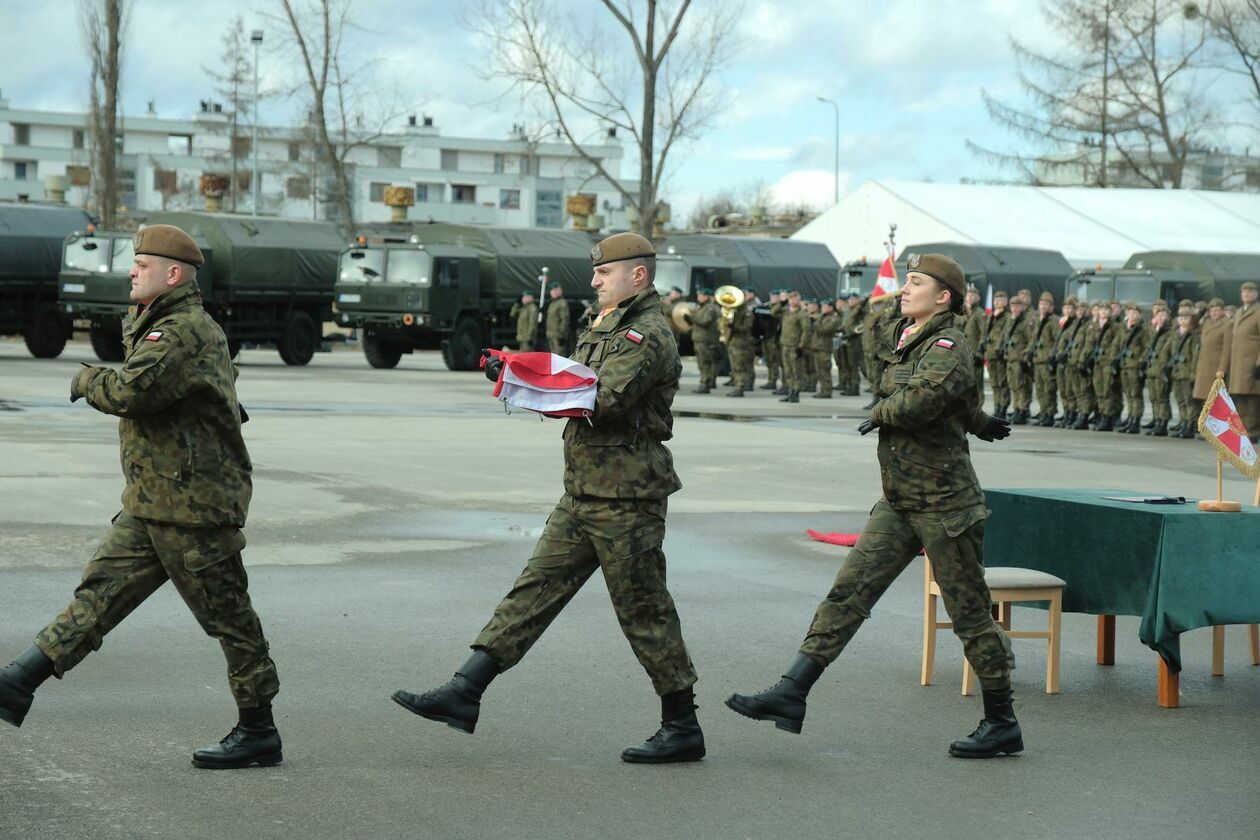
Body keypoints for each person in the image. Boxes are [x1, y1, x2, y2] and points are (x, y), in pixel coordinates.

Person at [392, 232, 704, 764]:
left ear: (638, 275)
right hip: (584, 490)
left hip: (627, 498)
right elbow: (571, 380)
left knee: (644, 610)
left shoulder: (646, 334)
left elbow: (600, 399)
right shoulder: (606, 323)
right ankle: (465, 690)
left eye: (604, 272)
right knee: (532, 591)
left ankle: (682, 725)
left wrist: (527, 379)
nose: (595, 280)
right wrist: (518, 374)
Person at [0, 225, 281, 769]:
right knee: (99, 594)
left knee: (230, 619)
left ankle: (258, 731)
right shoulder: (162, 324)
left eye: (142, 264)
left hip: (195, 507)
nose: (132, 270)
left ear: (172, 275)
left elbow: (131, 393)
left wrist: (86, 380)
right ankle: (17, 682)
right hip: (155, 498)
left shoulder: (180, 332)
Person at [725, 253, 1019, 759]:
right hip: (901, 499)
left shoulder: (949, 343)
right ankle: (792, 691)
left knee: (969, 612)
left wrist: (879, 412)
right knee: (849, 592)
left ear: (944, 296)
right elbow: (944, 393)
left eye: (916, 283)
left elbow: (926, 398)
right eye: (904, 281)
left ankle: (1001, 720)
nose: (905, 289)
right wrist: (981, 420)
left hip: (946, 504)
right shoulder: (910, 337)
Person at [1220, 281, 1260, 441]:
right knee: (1239, 396)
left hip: (1251, 363)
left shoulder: (1257, 312)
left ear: (1256, 294)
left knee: (1252, 399)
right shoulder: (1239, 312)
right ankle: (1243, 429)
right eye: (1244, 291)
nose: (1247, 294)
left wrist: (1259, 363)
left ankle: (1253, 430)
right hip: (1238, 364)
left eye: (1250, 291)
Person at [1192, 298, 1230, 438]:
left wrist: (1222, 368)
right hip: (1203, 366)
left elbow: (1227, 349)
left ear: (1222, 310)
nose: (1214, 313)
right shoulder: (1207, 322)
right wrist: (1200, 314)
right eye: (1211, 310)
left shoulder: (1227, 324)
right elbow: (1193, 326)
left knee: (1214, 401)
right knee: (1204, 400)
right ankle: (1204, 428)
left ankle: (1213, 431)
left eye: (1217, 310)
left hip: (1215, 367)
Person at [1116, 302, 1150, 433]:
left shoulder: (1143, 330)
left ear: (1140, 315)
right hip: (1125, 365)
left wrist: (1141, 361)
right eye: (1130, 313)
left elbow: (1147, 347)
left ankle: (1135, 420)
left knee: (1136, 395)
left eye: (1135, 313)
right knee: (1128, 394)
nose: (1132, 315)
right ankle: (1130, 418)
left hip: (1135, 366)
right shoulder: (1124, 329)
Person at [1142, 302, 1175, 437]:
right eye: (1158, 315)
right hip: (1152, 368)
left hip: (1162, 368)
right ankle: (1157, 419)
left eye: (1163, 315)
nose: (1161, 317)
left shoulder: (1170, 331)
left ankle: (1163, 422)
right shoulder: (1155, 331)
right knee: (1154, 397)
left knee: (1162, 397)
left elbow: (1170, 351)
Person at [1001, 294, 1033, 425]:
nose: (1014, 309)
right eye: (1012, 306)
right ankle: (1016, 409)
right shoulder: (1010, 320)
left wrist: (1025, 357)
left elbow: (1031, 340)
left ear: (1022, 307)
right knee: (1013, 386)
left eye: (1017, 306)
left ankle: (1022, 410)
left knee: (1022, 386)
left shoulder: (1025, 322)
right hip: (1010, 358)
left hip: (1019, 359)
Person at [1170, 302, 1200, 438]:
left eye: (1186, 318)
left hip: (1187, 372)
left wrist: (1193, 373)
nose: (1182, 320)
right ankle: (1183, 422)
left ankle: (1189, 425)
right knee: (1180, 400)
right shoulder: (1176, 335)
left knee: (1189, 402)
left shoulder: (1193, 336)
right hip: (1176, 372)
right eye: (1180, 318)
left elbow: (1195, 356)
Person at [1030, 292, 1060, 426]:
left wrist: (1053, 355)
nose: (1043, 307)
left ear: (1051, 307)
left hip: (1047, 360)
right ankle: (1043, 412)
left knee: (1049, 389)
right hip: (1038, 359)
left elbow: (1057, 340)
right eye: (1041, 304)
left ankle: (1050, 413)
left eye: (1046, 305)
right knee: (1040, 389)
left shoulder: (1053, 321)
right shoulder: (1038, 320)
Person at [983, 290, 1010, 420]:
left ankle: (1003, 407)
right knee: (994, 383)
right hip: (990, 354)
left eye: (1001, 299)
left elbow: (1006, 335)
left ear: (1006, 301)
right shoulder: (991, 316)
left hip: (1000, 354)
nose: (998, 301)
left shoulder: (1007, 317)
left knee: (1002, 383)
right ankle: (997, 406)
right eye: (996, 299)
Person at [688, 287, 720, 394]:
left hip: (705, 340)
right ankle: (705, 382)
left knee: (705, 362)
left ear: (706, 296)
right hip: (700, 339)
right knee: (702, 362)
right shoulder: (703, 307)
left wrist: (692, 318)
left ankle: (705, 384)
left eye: (700, 296)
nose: (698, 298)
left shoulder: (709, 308)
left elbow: (705, 321)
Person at [778, 293, 809, 403]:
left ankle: (796, 392)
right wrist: (781, 302)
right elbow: (773, 312)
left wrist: (801, 345)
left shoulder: (802, 314)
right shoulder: (786, 312)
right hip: (785, 344)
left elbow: (806, 330)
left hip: (795, 346)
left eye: (795, 299)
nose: (792, 301)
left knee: (796, 371)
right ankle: (790, 391)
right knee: (787, 370)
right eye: (791, 299)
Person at [726, 289, 757, 397]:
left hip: (742, 342)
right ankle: (737, 385)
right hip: (733, 341)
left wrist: (734, 326)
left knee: (740, 365)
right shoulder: (734, 310)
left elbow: (747, 327)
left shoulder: (747, 311)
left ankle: (740, 387)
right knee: (734, 365)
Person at [810, 299, 841, 398]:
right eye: (822, 306)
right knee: (819, 370)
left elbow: (825, 329)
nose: (823, 308)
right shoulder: (822, 317)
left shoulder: (832, 318)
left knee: (825, 370)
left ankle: (827, 391)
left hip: (824, 348)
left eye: (825, 307)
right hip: (818, 347)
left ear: (831, 308)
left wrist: (815, 323)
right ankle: (823, 390)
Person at [545, 284, 571, 358]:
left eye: (555, 290)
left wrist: (561, 335)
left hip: (558, 335)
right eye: (552, 290)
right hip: (551, 335)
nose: (553, 292)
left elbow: (565, 320)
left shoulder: (562, 303)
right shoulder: (552, 304)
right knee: (553, 357)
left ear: (560, 291)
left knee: (560, 357)